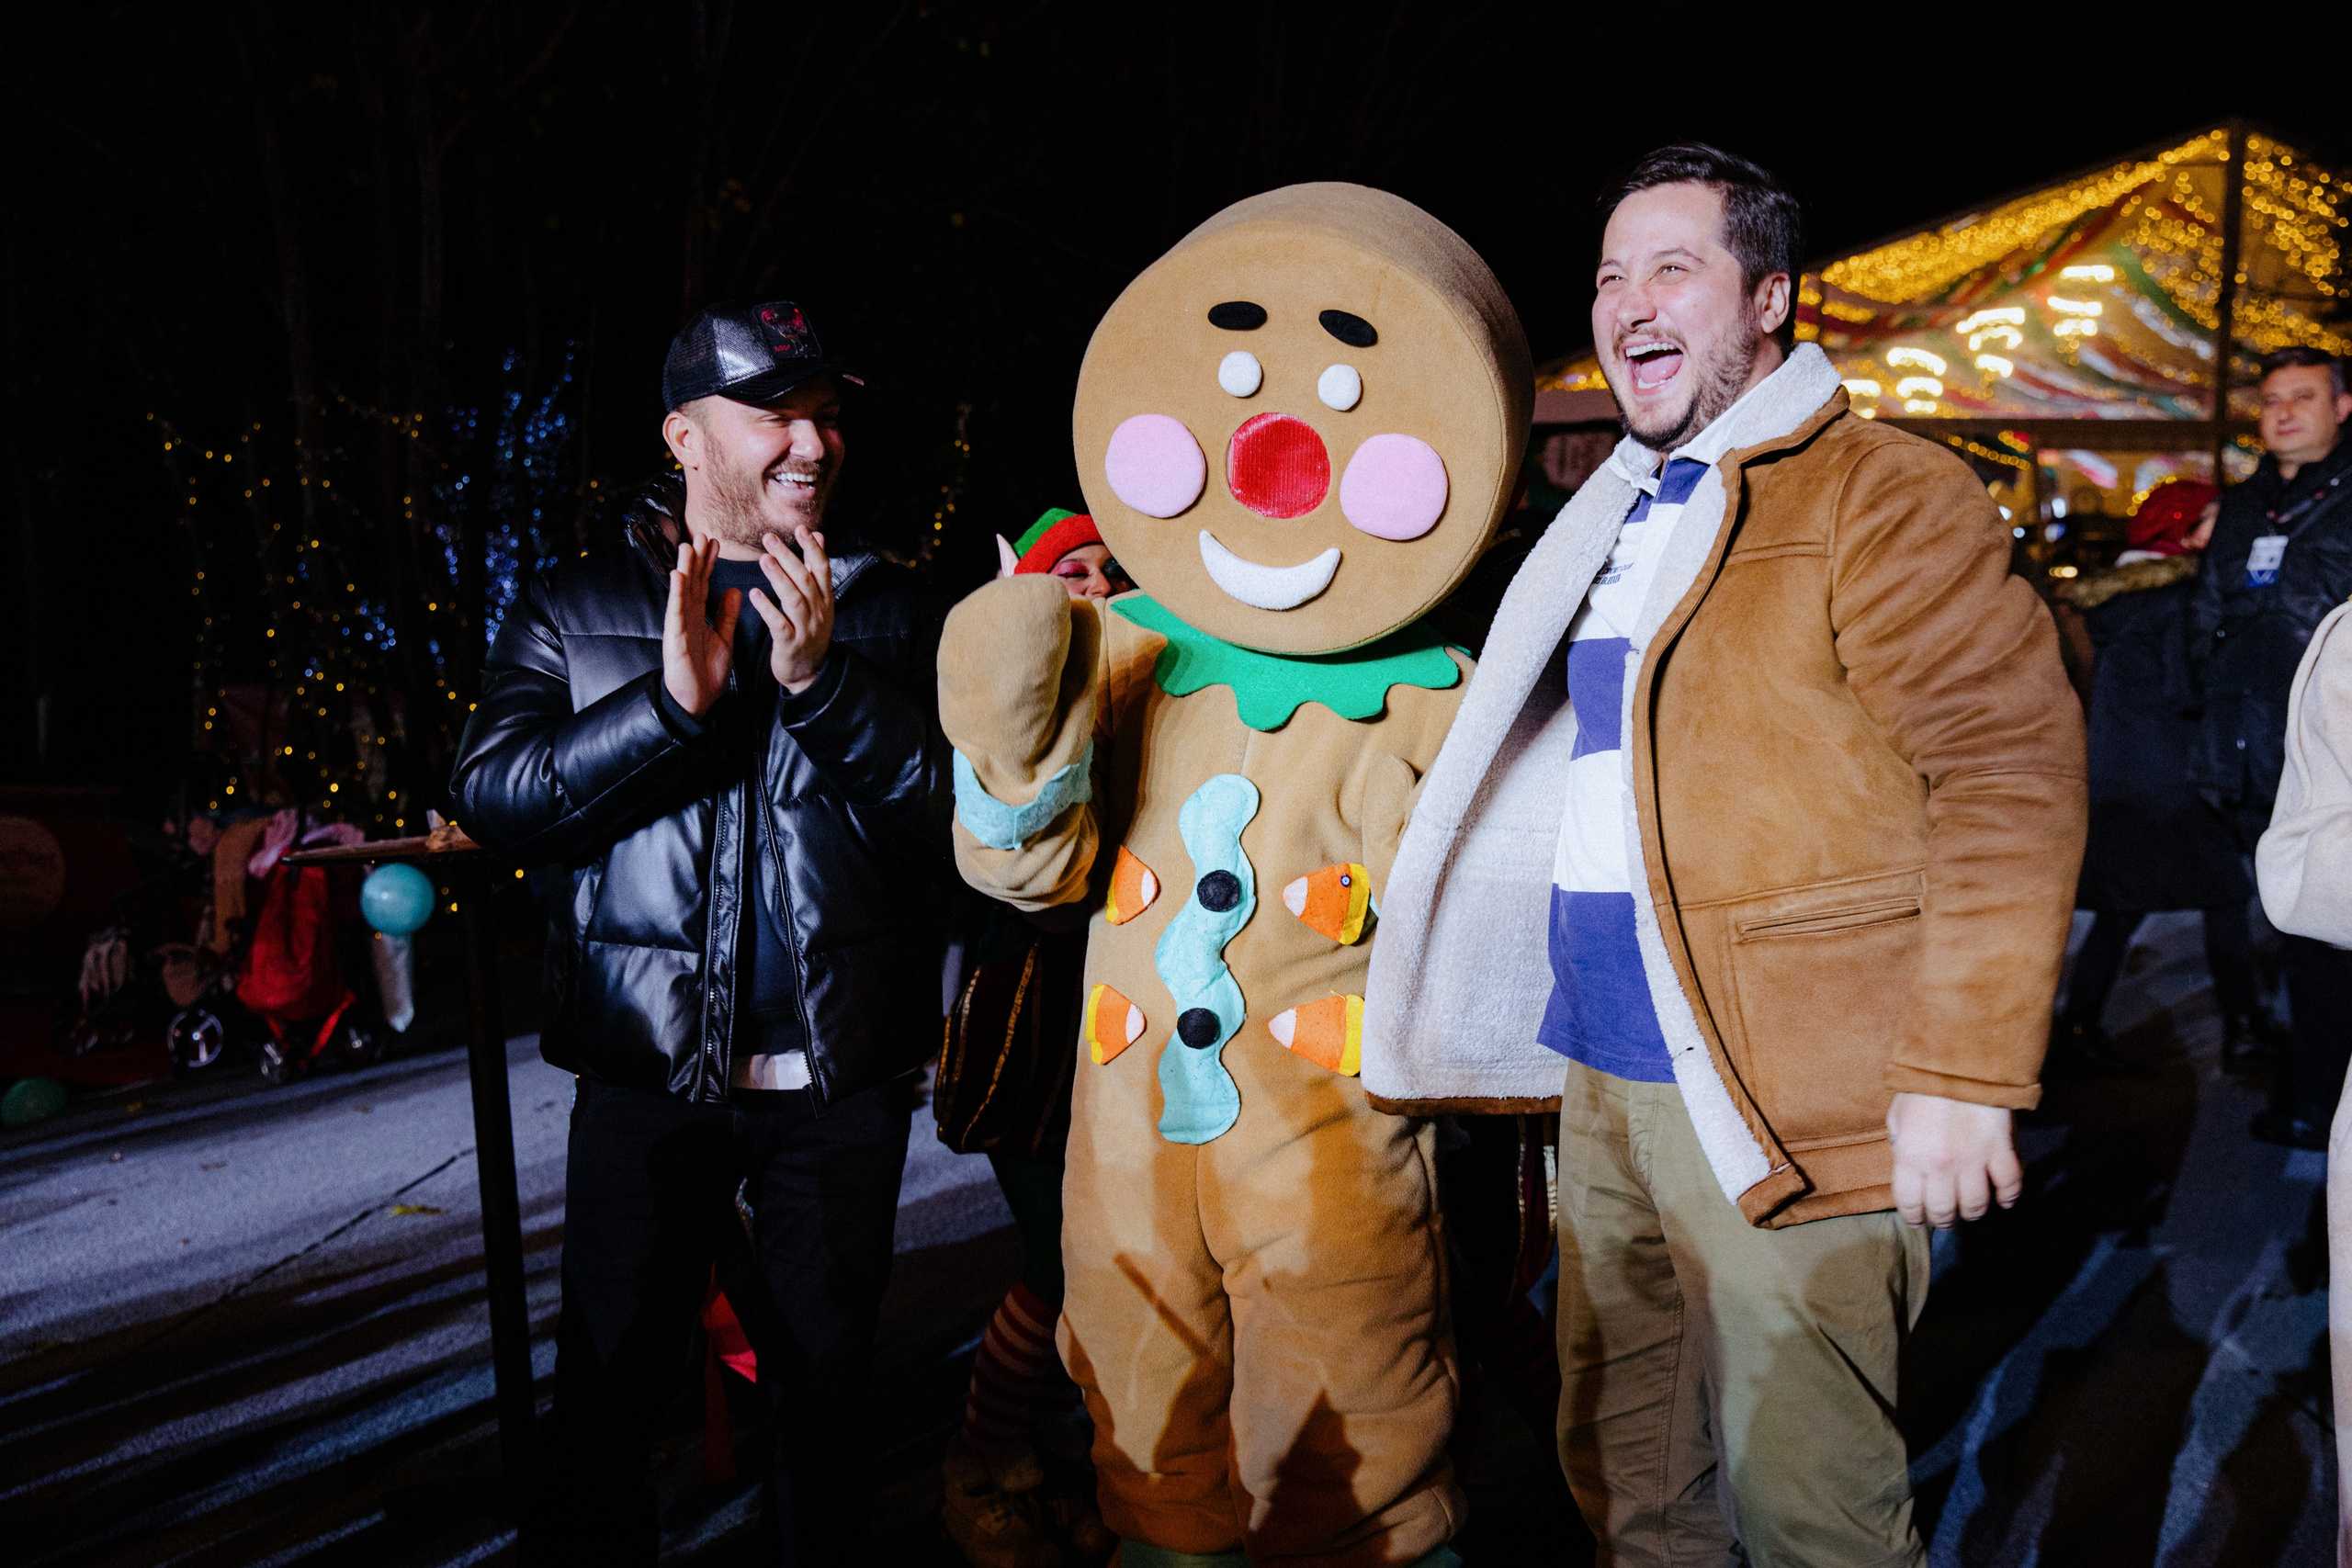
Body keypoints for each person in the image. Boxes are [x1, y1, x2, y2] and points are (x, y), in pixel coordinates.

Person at [1363, 144, 2085, 1565]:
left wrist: (1963, 1070)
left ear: (1769, 297)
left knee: (1812, 1503)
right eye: (1612, 275)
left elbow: (2007, 773)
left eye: (1673, 267)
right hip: (1609, 1073)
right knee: (1635, 1473)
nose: (1631, 301)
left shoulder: (1877, 494)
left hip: (1792, 1093)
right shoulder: (1615, 514)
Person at [449, 299, 953, 1561]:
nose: (813, 440)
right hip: (643, 1083)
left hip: (838, 1092)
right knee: (610, 1405)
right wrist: (668, 708)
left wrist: (827, 686)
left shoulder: (897, 606)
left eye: (828, 413)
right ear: (685, 433)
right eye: (776, 410)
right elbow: (495, 796)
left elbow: (963, 831)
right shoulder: (574, 607)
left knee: (830, 1407)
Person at [939, 508, 1128, 1568]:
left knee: (1143, 1262)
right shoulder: (1000, 694)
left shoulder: (1153, 673)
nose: (1093, 586)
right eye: (1070, 570)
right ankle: (978, 1459)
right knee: (1060, 1262)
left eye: (1106, 568)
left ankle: (1126, 1478)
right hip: (1038, 1017)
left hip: (1135, 1011)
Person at [2187, 345, 2352, 1149]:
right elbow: (2206, 619)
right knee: (2283, 933)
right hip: (2246, 761)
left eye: (2303, 397)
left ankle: (2318, 1097)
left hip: (2330, 763)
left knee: (2324, 937)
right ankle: (2306, 1080)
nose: (2283, 412)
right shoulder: (2245, 506)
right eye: (2272, 400)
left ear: (2342, 408)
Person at [2051, 479, 2271, 1073]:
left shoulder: (2102, 604)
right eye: (2209, 522)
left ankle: (2077, 1025)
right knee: (2225, 897)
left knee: (2123, 906)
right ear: (2181, 529)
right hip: (2178, 778)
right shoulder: (2181, 600)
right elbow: (2190, 688)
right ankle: (2243, 1029)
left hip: (2119, 775)